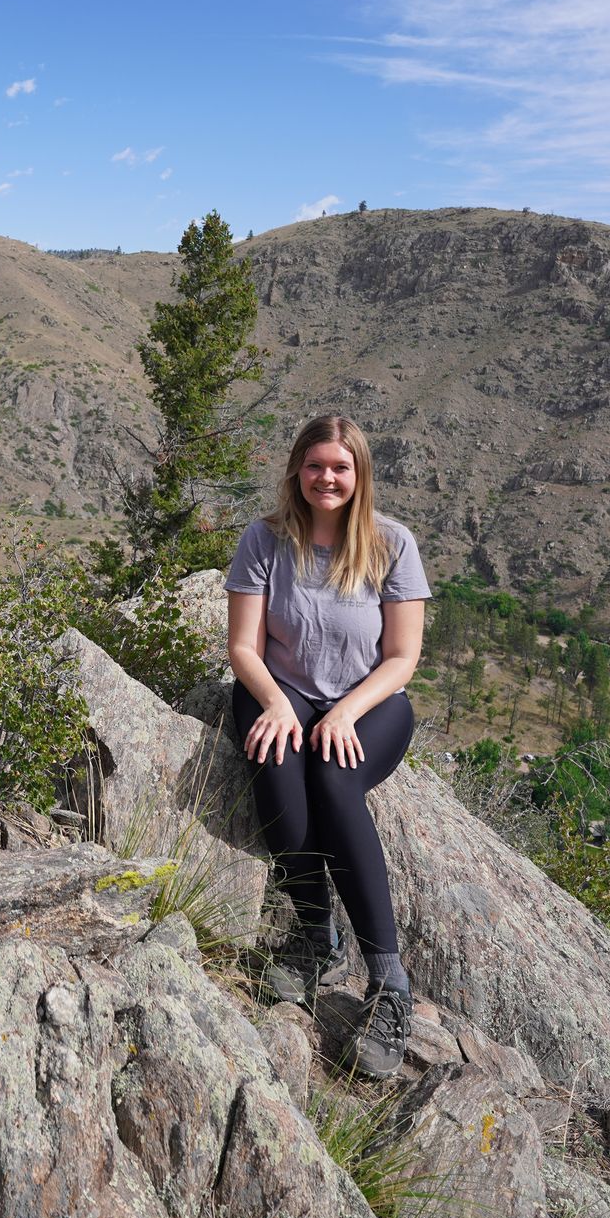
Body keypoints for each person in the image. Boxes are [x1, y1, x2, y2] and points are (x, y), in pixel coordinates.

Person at [224, 413, 430, 1078]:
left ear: (359, 474)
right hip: (279, 689)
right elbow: (242, 647)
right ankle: (314, 936)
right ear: (297, 471)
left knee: (335, 781)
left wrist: (344, 712)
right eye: (315, 466)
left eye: (340, 467)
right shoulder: (265, 540)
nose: (327, 478)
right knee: (280, 773)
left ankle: (387, 981)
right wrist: (281, 703)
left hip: (371, 703)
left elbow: (402, 658)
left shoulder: (391, 545)